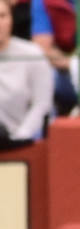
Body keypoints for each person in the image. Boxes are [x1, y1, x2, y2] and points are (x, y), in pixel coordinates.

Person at [0, 0, 53, 142]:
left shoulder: (32, 54)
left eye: (2, 16)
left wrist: (20, 136)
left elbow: (42, 104)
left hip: (22, 142)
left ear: (11, 19)